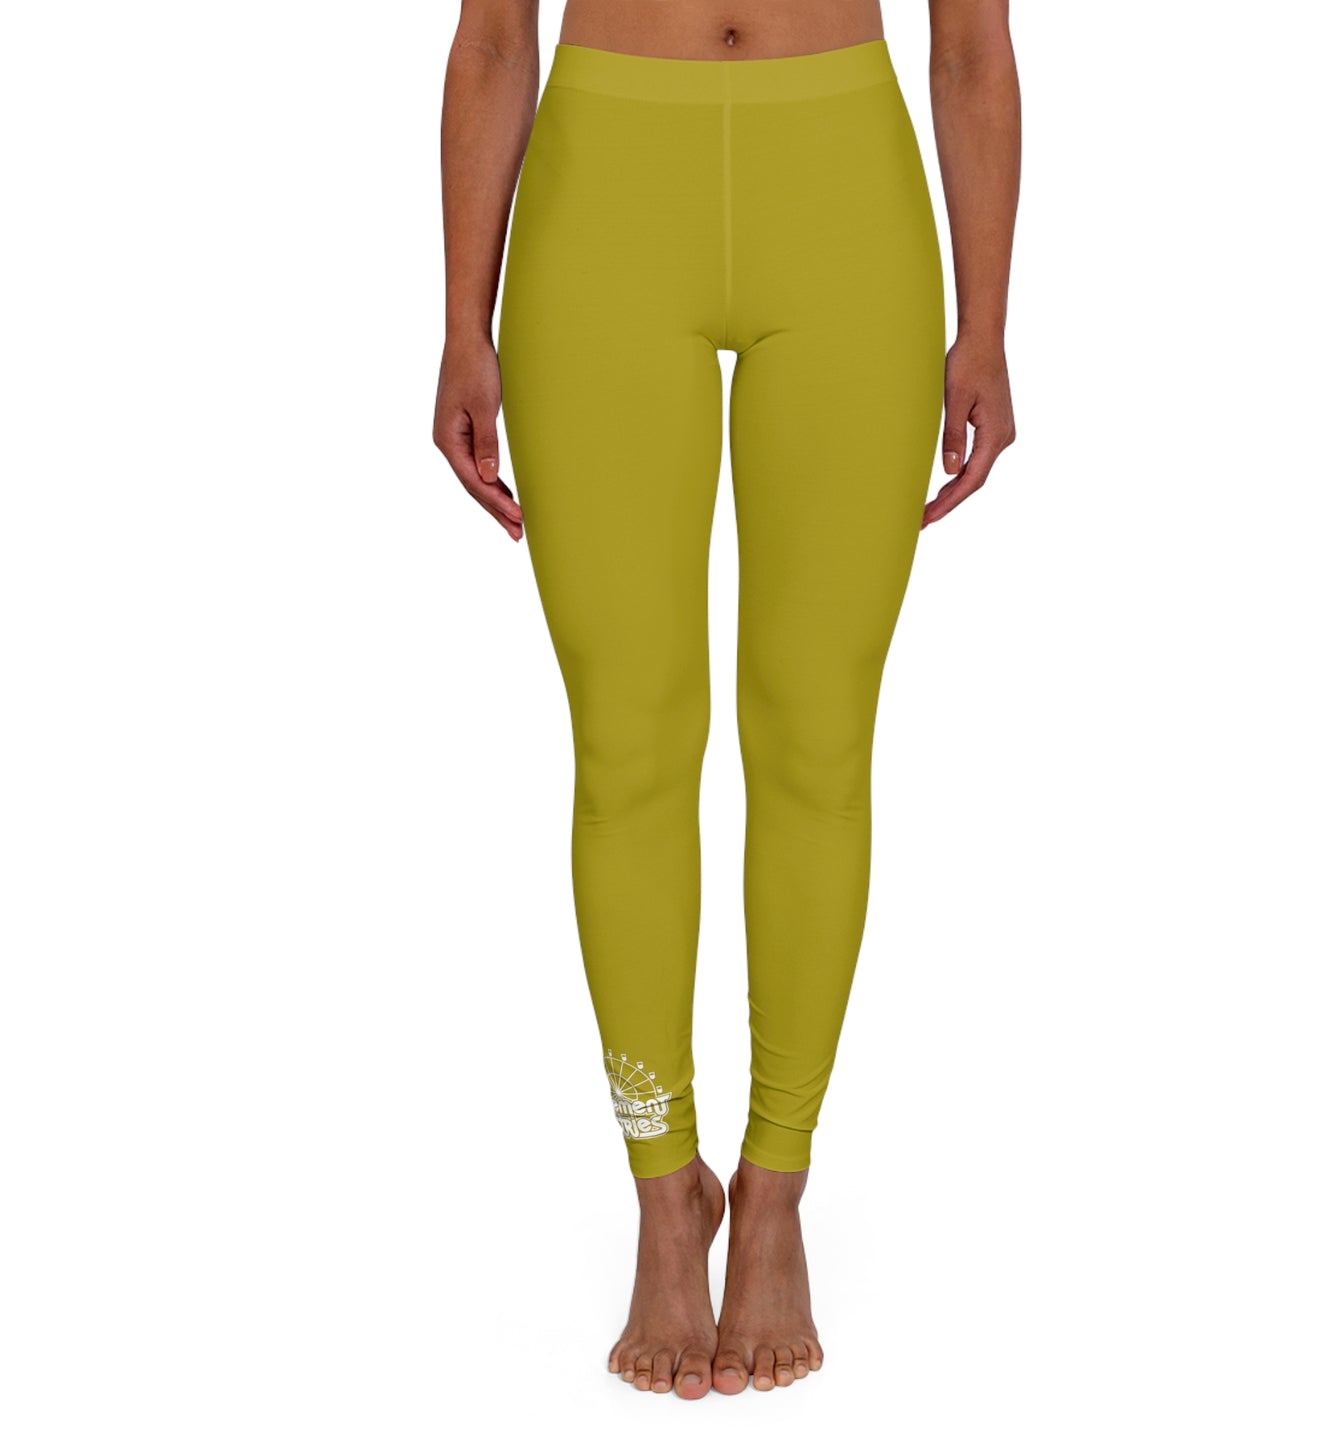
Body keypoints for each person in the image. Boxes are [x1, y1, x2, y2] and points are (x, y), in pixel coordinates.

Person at [432, 0, 1020, 1399]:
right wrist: (461, 320)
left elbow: (971, 44)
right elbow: (494, 36)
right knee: (627, 743)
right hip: (602, 196)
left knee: (816, 738)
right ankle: (662, 1193)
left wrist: (986, 324)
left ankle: (770, 1190)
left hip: (843, 195)